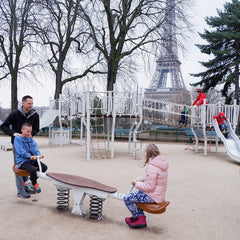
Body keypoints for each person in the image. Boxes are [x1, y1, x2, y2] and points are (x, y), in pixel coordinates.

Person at [0, 95, 40, 198]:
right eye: (28, 103)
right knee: (19, 166)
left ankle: (27, 187)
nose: (31, 105)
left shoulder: (35, 115)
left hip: (29, 144)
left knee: (28, 166)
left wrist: (31, 134)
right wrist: (14, 133)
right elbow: (3, 126)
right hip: (17, 144)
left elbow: (36, 129)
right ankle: (21, 191)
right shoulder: (14, 114)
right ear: (23, 103)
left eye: (32, 103)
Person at [123, 143, 169, 228]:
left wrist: (136, 183)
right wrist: (142, 179)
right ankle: (141, 219)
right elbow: (155, 180)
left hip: (153, 196)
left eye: (144, 152)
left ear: (148, 153)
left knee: (127, 198)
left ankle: (136, 217)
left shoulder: (152, 167)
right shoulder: (161, 164)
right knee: (137, 195)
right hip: (158, 195)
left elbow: (149, 187)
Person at [14, 123, 47, 193]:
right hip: (23, 161)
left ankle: (30, 181)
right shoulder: (18, 138)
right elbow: (20, 150)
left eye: (30, 131)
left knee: (44, 167)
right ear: (22, 130)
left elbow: (34, 147)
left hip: (31, 160)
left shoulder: (30, 138)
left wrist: (38, 154)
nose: (29, 133)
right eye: (27, 131)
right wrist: (29, 156)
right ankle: (34, 184)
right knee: (32, 170)